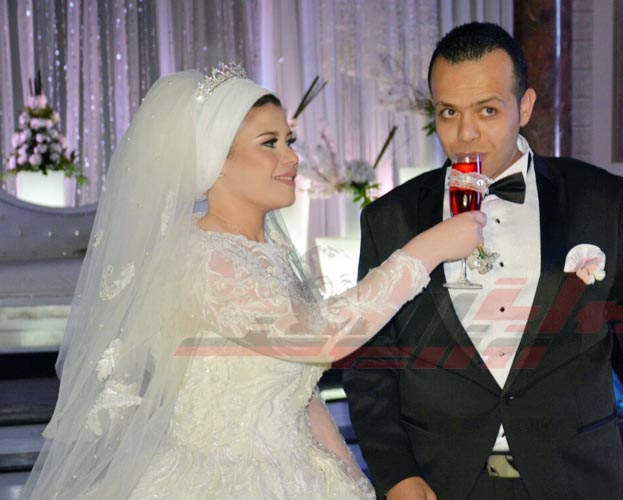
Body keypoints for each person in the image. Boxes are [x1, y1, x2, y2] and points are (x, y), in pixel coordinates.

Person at [21, 65, 486, 499]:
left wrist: (353, 479)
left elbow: (297, 393)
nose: (292, 157)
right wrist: (427, 250)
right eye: (270, 143)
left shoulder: (271, 250)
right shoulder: (202, 259)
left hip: (299, 472)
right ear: (216, 161)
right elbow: (317, 339)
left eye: (289, 140)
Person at [342, 22, 623, 500]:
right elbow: (370, 361)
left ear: (526, 106)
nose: (465, 133)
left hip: (576, 477)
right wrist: (395, 473)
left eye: (487, 110)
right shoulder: (389, 218)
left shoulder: (599, 199)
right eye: (449, 112)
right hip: (440, 481)